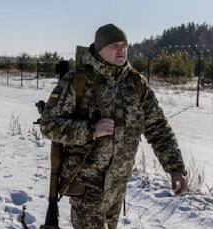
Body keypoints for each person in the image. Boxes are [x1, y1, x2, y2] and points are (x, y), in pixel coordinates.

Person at [40, 24, 187, 229]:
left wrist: (175, 168)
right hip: (85, 183)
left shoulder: (136, 84)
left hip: (116, 186)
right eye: (114, 46)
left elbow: (158, 128)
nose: (121, 50)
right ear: (99, 49)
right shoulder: (77, 81)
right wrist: (92, 130)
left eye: (124, 45)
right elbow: (48, 125)